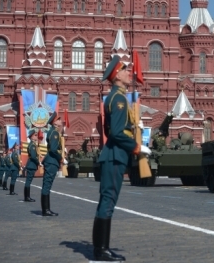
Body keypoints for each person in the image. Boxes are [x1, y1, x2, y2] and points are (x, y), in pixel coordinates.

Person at [92, 56, 151, 262]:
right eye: (126, 70)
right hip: (115, 155)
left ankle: (101, 247)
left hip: (115, 154)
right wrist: (136, 147)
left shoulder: (117, 97)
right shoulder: (117, 99)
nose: (129, 73)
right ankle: (101, 250)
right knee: (108, 200)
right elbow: (116, 133)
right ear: (116, 75)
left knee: (107, 200)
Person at [41, 111, 63, 216]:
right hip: (52, 161)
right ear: (55, 122)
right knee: (47, 185)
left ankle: (46, 209)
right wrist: (60, 158)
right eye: (59, 119)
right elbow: (54, 149)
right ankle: (46, 210)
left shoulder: (52, 132)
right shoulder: (54, 133)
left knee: (47, 185)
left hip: (50, 161)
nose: (61, 121)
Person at [24, 130, 40, 202]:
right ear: (32, 137)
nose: (36, 136)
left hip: (31, 164)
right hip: (31, 165)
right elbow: (33, 156)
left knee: (28, 181)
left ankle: (27, 197)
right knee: (28, 181)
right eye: (35, 135)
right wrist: (38, 162)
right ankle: (27, 197)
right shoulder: (32, 145)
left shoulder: (31, 144)